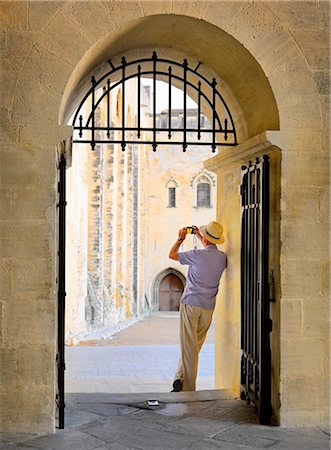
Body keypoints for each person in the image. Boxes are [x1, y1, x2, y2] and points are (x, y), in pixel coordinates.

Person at [169, 221, 227, 392]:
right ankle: (180, 377)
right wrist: (201, 236)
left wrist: (180, 238)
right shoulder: (222, 258)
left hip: (191, 304)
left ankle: (188, 389)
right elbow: (209, 247)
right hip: (208, 309)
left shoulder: (196, 255)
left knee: (189, 347)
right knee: (194, 347)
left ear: (206, 239)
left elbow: (172, 254)